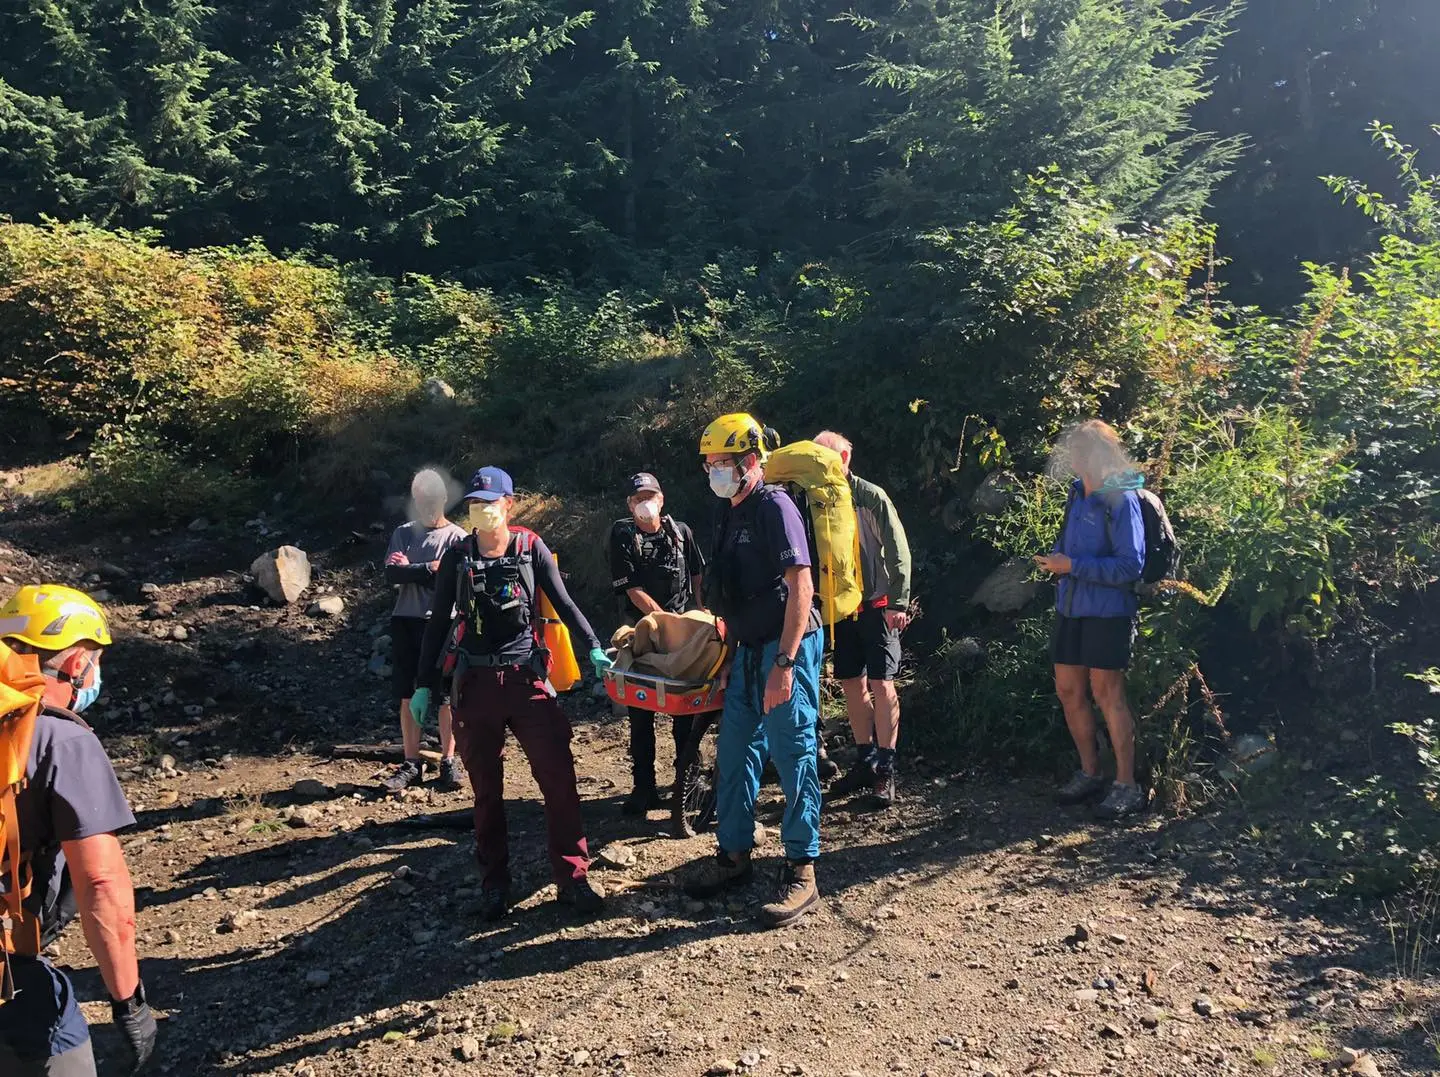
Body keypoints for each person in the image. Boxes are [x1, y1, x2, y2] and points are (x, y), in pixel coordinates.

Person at [412, 467, 613, 919]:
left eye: (490, 501)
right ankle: (494, 886)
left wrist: (595, 648)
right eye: (475, 503)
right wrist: (425, 684)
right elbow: (439, 622)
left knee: (559, 782)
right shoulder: (458, 556)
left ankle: (573, 878)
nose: (482, 509)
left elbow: (564, 602)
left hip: (526, 679)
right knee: (486, 793)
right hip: (475, 685)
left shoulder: (530, 548)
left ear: (509, 504)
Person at [0, 585, 156, 1075]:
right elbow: (102, 886)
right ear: (74, 662)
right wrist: (129, 1004)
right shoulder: (61, 740)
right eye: (96, 659)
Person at [685, 414, 824, 928]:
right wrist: (729, 660)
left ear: (748, 462)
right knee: (736, 749)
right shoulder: (728, 511)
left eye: (720, 463)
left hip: (788, 646)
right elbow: (731, 593)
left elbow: (801, 585)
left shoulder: (776, 506)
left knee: (793, 751)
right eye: (709, 465)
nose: (713, 472)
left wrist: (784, 664)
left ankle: (801, 867)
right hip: (745, 650)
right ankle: (734, 854)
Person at [1033, 420, 1146, 820]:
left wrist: (1072, 565)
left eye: (1077, 451)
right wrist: (1057, 561)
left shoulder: (1122, 497)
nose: (1071, 458)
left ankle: (1127, 785)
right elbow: (1069, 545)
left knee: (1107, 694)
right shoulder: (1077, 492)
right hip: (1071, 608)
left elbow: (1131, 565)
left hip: (1108, 612)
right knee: (1068, 690)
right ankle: (1090, 772)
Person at [812, 431, 913, 808]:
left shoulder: (871, 496)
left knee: (882, 682)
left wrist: (898, 602)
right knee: (851, 682)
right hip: (840, 608)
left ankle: (886, 769)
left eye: (828, 455)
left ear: (845, 457)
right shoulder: (817, 498)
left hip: (877, 602)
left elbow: (897, 547)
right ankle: (864, 759)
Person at [608, 472, 706, 814]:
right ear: (629, 504)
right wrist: (662, 621)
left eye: (650, 495)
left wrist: (699, 613)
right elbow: (632, 590)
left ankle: (689, 783)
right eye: (638, 498)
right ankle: (644, 788)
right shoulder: (623, 535)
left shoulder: (681, 533)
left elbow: (697, 572)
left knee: (687, 712)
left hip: (685, 637)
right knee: (641, 713)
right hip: (643, 636)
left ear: (662, 499)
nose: (645, 503)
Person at [381, 469, 468, 793]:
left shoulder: (457, 537)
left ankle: (448, 760)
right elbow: (391, 574)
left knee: (446, 695)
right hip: (406, 619)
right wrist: (428, 569)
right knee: (407, 693)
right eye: (421, 497)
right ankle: (411, 762)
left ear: (443, 497)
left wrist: (414, 570)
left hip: (444, 622)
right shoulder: (403, 533)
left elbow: (453, 578)